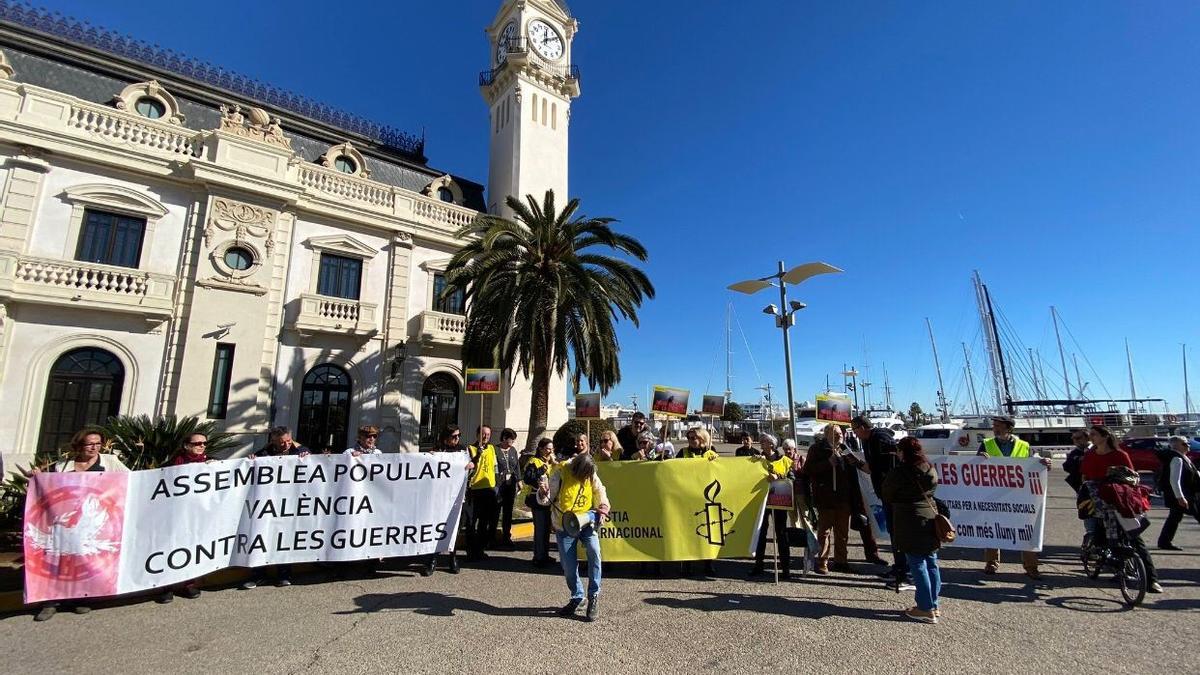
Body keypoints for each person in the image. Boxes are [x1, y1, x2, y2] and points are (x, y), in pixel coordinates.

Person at [33, 428, 129, 622]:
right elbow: (49, 487)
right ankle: (51, 602)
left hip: (93, 521)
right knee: (59, 559)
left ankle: (82, 597)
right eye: (89, 443)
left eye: (98, 443)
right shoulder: (63, 465)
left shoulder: (110, 462)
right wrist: (36, 477)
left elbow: (129, 480)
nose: (94, 447)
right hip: (63, 518)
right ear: (79, 445)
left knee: (85, 559)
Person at [1081, 425, 1162, 593]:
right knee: (1101, 533)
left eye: (1094, 434)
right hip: (1099, 498)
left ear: (1105, 436)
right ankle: (1114, 565)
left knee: (1134, 538)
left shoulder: (1120, 455)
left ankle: (1151, 580)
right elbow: (1085, 477)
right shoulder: (1090, 455)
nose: (1091, 438)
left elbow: (1132, 477)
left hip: (1120, 498)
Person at [538, 451, 610, 622]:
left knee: (595, 553)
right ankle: (577, 597)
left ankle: (593, 596)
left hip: (586, 521)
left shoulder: (591, 474)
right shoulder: (561, 473)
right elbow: (546, 499)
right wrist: (543, 492)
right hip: (564, 526)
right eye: (583, 475)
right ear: (577, 469)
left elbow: (600, 491)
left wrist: (603, 506)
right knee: (569, 567)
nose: (586, 478)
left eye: (588, 475)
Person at [977, 416, 1051, 580]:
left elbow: (1033, 461)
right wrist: (980, 459)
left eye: (999, 425)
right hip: (994, 493)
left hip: (1018, 494)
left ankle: (1031, 566)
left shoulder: (1024, 446)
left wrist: (1043, 462)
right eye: (994, 425)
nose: (995, 428)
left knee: (1026, 530)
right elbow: (975, 466)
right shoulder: (987, 444)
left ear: (1008, 428)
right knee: (992, 528)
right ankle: (991, 563)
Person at [882, 437, 942, 624]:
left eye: (899, 450)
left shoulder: (900, 472)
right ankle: (933, 604)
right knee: (931, 561)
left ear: (904, 452)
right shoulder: (929, 467)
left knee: (917, 563)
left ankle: (925, 608)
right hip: (929, 516)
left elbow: (887, 493)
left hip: (909, 518)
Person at [242, 426, 307, 589]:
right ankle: (258, 575)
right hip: (267, 504)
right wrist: (251, 461)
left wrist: (308, 457)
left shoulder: (300, 451)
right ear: (273, 441)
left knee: (283, 539)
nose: (285, 445)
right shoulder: (264, 453)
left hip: (288, 504)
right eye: (281, 442)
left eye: (288, 441)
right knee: (261, 537)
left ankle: (284, 574)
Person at [851, 415, 909, 587]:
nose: (854, 434)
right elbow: (871, 468)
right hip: (885, 493)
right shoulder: (868, 442)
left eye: (855, 430)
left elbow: (893, 460)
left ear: (862, 427)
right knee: (893, 533)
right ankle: (899, 566)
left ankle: (905, 571)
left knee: (898, 532)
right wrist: (856, 462)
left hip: (895, 495)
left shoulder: (880, 438)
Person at [156, 433, 211, 604]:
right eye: (198, 443)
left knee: (192, 547)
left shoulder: (212, 463)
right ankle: (167, 586)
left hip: (197, 515)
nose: (201, 446)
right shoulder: (174, 463)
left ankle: (189, 583)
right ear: (186, 445)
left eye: (204, 443)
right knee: (171, 547)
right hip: (174, 514)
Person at [803, 424, 862, 574]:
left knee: (842, 533)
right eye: (836, 433)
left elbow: (854, 471)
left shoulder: (844, 449)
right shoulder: (817, 449)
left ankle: (841, 561)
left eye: (841, 433)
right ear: (827, 434)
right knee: (824, 532)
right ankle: (823, 562)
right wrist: (828, 463)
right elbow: (808, 469)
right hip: (825, 497)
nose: (840, 435)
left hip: (843, 498)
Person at [423, 424, 465, 576]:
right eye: (454, 436)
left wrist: (471, 464)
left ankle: (453, 558)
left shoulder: (462, 450)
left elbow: (466, 469)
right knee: (436, 527)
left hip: (455, 497)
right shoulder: (437, 451)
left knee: (453, 527)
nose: (457, 439)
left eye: (459, 435)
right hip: (439, 498)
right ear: (446, 437)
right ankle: (432, 559)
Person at [750, 434, 794, 580]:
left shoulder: (785, 460)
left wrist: (779, 477)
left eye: (764, 441)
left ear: (772, 444)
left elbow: (792, 478)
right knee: (760, 532)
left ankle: (785, 568)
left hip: (779, 500)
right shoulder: (757, 459)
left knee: (781, 533)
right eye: (761, 441)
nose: (761, 443)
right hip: (761, 500)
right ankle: (758, 564)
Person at [1157, 436, 1199, 551]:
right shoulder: (1177, 459)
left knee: (1174, 518)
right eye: (1185, 444)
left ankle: (1164, 542)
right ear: (1177, 446)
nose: (1188, 446)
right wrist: (1180, 497)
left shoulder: (1182, 457)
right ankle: (1164, 542)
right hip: (1184, 495)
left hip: (1182, 494)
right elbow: (1174, 480)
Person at [465, 425, 499, 561]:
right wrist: (478, 454)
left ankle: (480, 549)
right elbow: (468, 469)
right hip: (475, 489)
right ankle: (470, 551)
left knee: (484, 522)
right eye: (483, 434)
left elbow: (495, 467)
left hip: (489, 489)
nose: (486, 437)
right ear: (477, 434)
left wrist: (497, 484)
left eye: (488, 434)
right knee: (471, 522)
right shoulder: (470, 449)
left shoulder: (491, 448)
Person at [523, 437, 558, 567]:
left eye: (551, 449)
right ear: (541, 449)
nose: (550, 451)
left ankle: (544, 554)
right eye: (547, 449)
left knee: (546, 529)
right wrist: (541, 472)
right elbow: (528, 478)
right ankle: (538, 557)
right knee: (540, 528)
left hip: (549, 499)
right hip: (537, 500)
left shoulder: (552, 463)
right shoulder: (534, 461)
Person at [495, 428, 521, 549]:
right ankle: (491, 537)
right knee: (495, 511)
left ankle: (506, 536)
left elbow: (517, 466)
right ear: (505, 438)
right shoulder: (495, 450)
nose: (512, 442)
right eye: (511, 440)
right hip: (498, 485)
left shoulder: (513, 450)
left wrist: (519, 480)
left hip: (510, 485)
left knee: (508, 511)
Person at [1063, 429, 1090, 496]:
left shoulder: (1097, 449)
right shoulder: (1074, 453)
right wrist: (1078, 460)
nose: (1075, 440)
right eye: (1073, 438)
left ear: (1087, 438)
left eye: (1078, 438)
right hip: (1081, 487)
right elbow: (1066, 467)